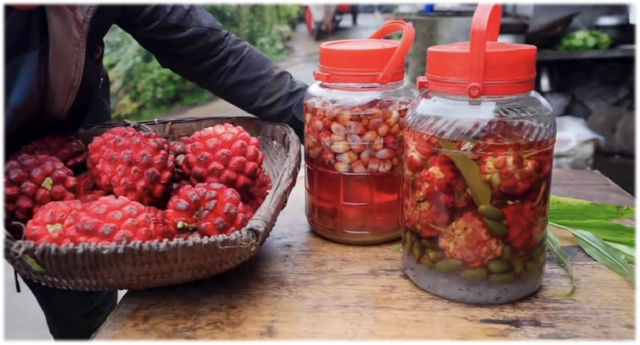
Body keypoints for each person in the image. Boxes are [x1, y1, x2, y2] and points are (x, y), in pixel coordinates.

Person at [1, 1, 307, 343]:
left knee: (84, 307)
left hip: (73, 159)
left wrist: (320, 118)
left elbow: (206, 47)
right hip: (20, 174)